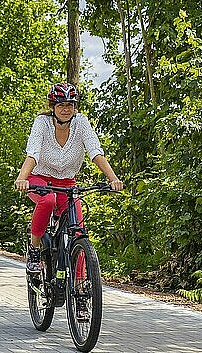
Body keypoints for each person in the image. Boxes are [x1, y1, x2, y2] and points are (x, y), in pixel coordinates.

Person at [14, 82, 123, 274]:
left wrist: (113, 179)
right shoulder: (42, 123)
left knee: (79, 232)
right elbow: (33, 153)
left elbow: (95, 152)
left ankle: (81, 288)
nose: (66, 109)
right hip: (40, 179)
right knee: (48, 201)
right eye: (61, 105)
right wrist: (22, 178)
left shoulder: (81, 122)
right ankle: (34, 250)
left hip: (67, 183)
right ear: (52, 107)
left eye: (70, 105)